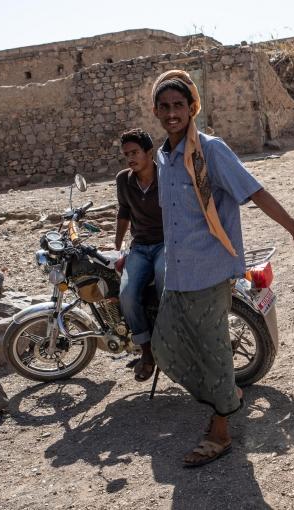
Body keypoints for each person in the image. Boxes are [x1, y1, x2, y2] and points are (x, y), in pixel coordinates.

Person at [150, 69, 294, 467]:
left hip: (210, 269)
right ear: (156, 110)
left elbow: (254, 190)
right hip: (178, 271)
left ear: (192, 108)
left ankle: (220, 431)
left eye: (179, 105)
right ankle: (226, 396)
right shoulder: (163, 156)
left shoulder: (210, 151)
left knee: (214, 352)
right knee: (163, 346)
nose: (172, 113)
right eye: (165, 106)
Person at [115, 128, 164, 382]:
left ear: (148, 152)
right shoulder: (124, 180)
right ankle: (147, 351)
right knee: (127, 294)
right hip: (141, 246)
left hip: (167, 243)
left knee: (164, 278)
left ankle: (171, 339)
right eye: (126, 155)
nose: (130, 158)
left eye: (135, 152)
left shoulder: (166, 175)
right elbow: (124, 212)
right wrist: (117, 243)